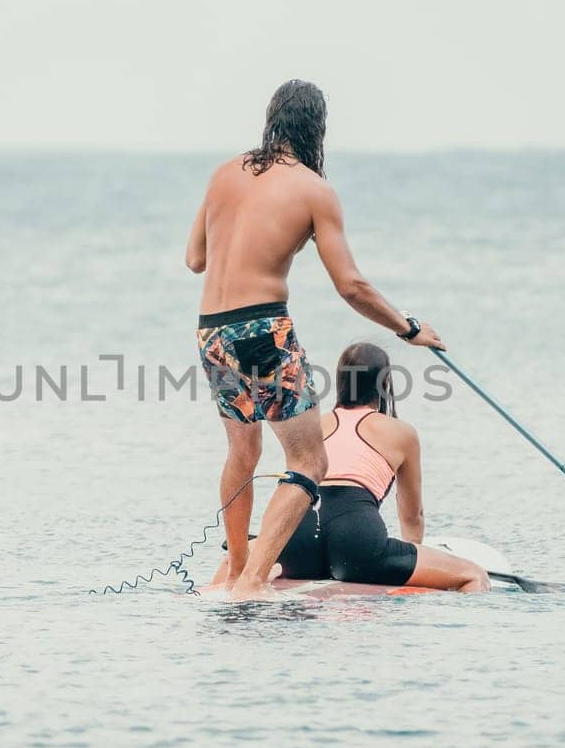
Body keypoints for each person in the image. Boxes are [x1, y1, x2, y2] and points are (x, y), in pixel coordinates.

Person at [186, 79, 445, 600]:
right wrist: (409, 329)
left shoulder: (222, 173)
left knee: (242, 451)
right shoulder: (313, 189)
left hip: (211, 331)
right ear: (316, 130)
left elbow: (195, 260)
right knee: (309, 462)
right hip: (263, 329)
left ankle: (238, 569)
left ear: (271, 120)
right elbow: (351, 285)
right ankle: (253, 583)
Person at [208, 342, 490, 593]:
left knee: (235, 563)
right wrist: (410, 560)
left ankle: (216, 593)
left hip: (298, 535)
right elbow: (412, 516)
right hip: (357, 539)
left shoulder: (312, 425)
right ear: (385, 384)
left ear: (341, 381)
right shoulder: (401, 432)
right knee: (473, 575)